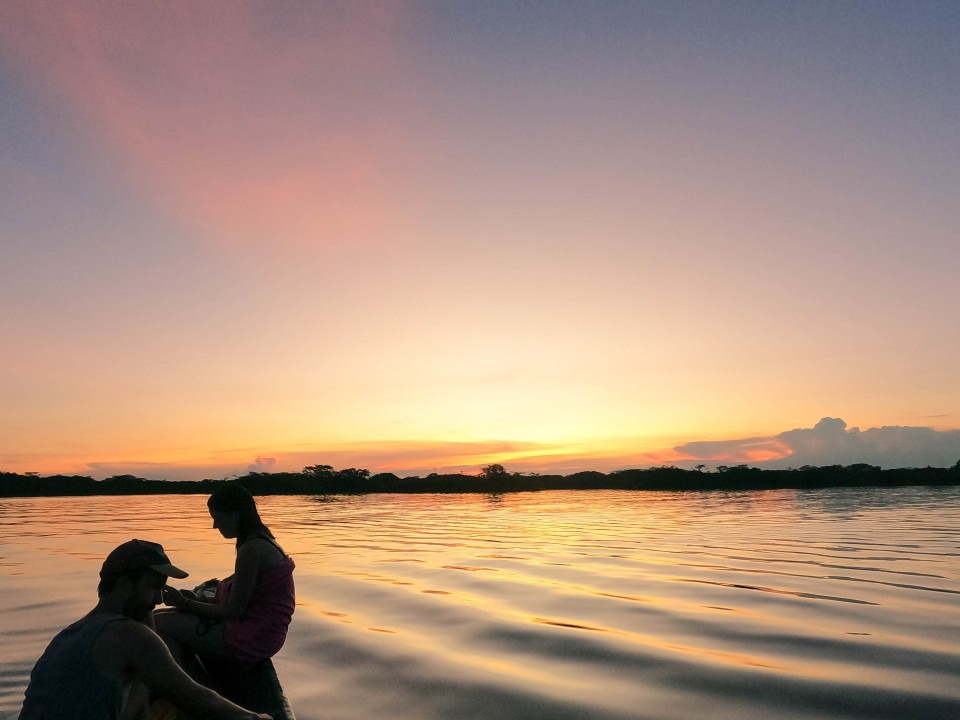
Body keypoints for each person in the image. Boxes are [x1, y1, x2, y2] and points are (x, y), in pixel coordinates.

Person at [18, 539, 271, 720]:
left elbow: (138, 699)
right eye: (153, 587)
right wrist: (255, 717)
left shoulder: (66, 636)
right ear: (125, 584)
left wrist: (145, 613)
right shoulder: (129, 636)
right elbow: (197, 700)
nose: (159, 599)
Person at [156, 485, 295, 670]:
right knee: (157, 616)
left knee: (157, 623)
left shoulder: (252, 549)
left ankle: (188, 686)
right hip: (262, 632)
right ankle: (187, 678)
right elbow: (244, 601)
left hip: (254, 637)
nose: (215, 525)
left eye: (218, 518)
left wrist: (184, 603)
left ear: (236, 514)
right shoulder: (259, 541)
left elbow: (232, 612)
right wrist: (199, 599)